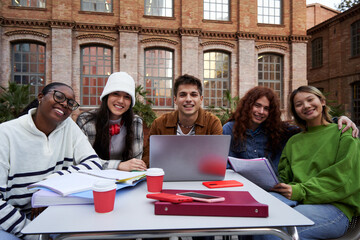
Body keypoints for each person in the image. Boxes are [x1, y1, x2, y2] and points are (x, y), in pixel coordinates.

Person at [0, 82, 103, 240]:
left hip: (52, 217)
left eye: (70, 103)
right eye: (59, 96)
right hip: (11, 223)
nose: (64, 104)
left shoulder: (68, 126)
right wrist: (33, 233)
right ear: (40, 97)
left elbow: (94, 165)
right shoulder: (5, 134)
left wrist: (48, 186)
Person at [263, 85, 360, 240]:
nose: (306, 106)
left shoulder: (344, 133)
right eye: (299, 104)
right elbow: (285, 177)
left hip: (335, 207)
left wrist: (300, 191)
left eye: (310, 99)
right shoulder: (294, 141)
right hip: (296, 201)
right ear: (295, 111)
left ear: (322, 101)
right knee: (254, 222)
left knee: (274, 234)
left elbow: (344, 179)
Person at [223, 86, 358, 173]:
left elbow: (313, 128)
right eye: (257, 106)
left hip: (274, 188)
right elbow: (225, 164)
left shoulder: (279, 130)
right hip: (242, 186)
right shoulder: (230, 129)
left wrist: (336, 120)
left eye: (266, 108)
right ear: (247, 106)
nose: (261, 111)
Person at [142, 74, 223, 166]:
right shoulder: (159, 124)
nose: (188, 99)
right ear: (175, 100)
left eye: (193, 95)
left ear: (201, 99)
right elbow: (148, 160)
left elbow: (217, 162)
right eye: (183, 95)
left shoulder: (212, 123)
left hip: (202, 177)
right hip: (167, 177)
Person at [76, 72, 147, 172]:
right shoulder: (86, 120)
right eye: (116, 94)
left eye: (127, 97)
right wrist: (118, 165)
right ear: (106, 96)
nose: (121, 101)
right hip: (94, 178)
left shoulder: (136, 122)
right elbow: (84, 160)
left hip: (125, 179)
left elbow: (135, 162)